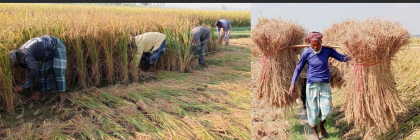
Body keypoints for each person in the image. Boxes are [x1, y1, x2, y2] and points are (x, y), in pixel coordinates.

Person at [288, 31, 350, 140]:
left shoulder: (328, 50)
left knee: (328, 109)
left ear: (321, 41)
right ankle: (315, 132)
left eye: (317, 44)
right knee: (312, 109)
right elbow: (298, 68)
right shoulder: (306, 53)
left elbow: (342, 58)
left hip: (324, 83)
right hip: (311, 84)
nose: (315, 47)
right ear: (309, 44)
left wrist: (353, 53)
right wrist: (292, 84)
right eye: (313, 45)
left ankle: (322, 125)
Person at [8, 35, 67, 108]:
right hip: (47, 52)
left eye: (14, 64)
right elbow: (31, 69)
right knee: (42, 72)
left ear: (16, 60)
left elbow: (34, 72)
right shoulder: (21, 53)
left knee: (58, 71)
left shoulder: (25, 55)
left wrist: (23, 86)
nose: (14, 66)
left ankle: (63, 97)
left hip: (57, 46)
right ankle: (37, 95)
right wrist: (27, 79)